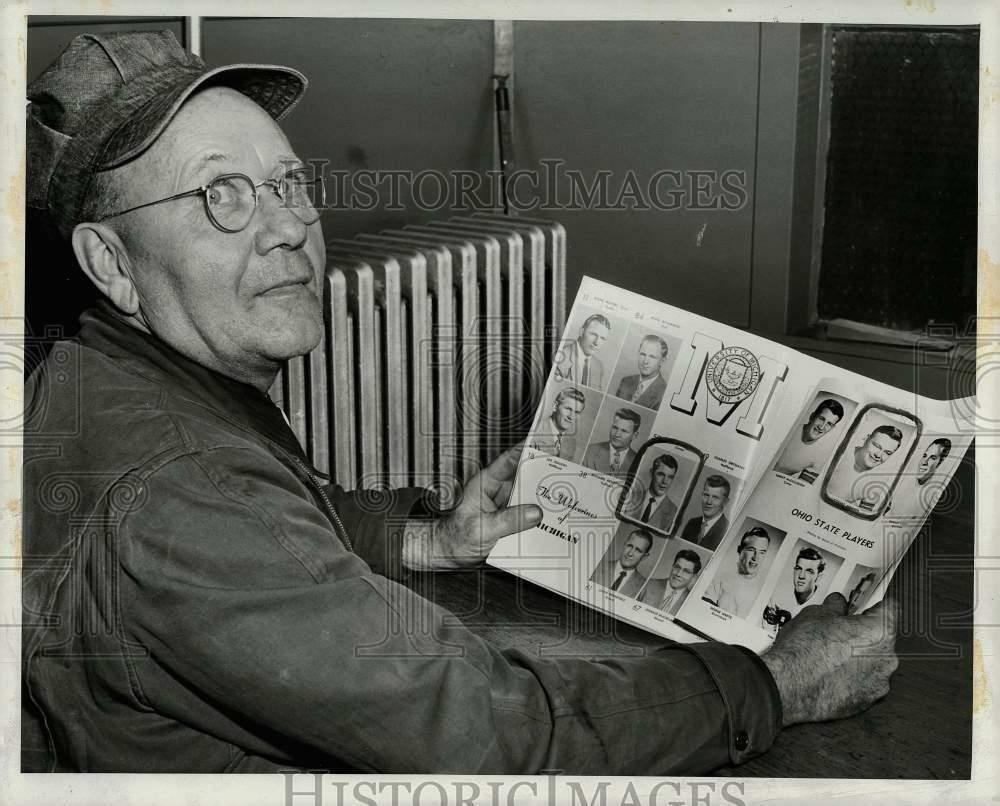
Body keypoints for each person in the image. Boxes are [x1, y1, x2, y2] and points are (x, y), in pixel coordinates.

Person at [22, 30, 900, 775]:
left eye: (289, 182)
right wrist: (777, 683)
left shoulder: (109, 378)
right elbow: (492, 733)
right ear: (110, 264)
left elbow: (264, 531)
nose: (289, 225)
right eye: (222, 195)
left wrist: (423, 538)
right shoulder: (183, 493)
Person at [825, 424, 903, 510]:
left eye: (887, 453)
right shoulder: (840, 452)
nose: (878, 455)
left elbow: (859, 517)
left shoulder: (877, 484)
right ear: (866, 438)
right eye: (877, 446)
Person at [702, 527, 772, 618]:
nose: (756, 558)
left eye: (762, 552)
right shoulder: (719, 579)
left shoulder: (766, 591)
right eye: (751, 550)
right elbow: (704, 614)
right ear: (740, 550)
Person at [773, 398, 845, 481]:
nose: (821, 427)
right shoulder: (789, 428)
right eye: (821, 419)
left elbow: (803, 485)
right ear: (812, 416)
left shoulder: (821, 457)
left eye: (829, 424)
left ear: (832, 428)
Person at [762, 547, 826, 632]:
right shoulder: (776, 598)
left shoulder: (822, 608)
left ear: (818, 577)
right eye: (798, 568)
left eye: (809, 571)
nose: (801, 576)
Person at [589, 529, 654, 597]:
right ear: (624, 545)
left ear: (644, 557)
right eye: (629, 546)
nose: (630, 553)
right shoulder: (597, 566)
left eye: (638, 550)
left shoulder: (643, 586)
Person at [554, 313, 610, 389]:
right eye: (593, 334)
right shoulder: (560, 356)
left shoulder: (598, 366)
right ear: (581, 332)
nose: (596, 343)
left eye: (602, 338)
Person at [626, 454, 680, 533]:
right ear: (651, 473)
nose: (665, 482)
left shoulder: (674, 513)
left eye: (670, 477)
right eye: (661, 474)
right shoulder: (630, 496)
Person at [528, 386, 586, 460]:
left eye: (577, 412)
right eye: (568, 409)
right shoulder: (534, 431)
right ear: (555, 406)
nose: (571, 417)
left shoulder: (571, 443)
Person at [639, 549, 702, 615]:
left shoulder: (691, 602)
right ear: (672, 566)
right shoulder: (648, 584)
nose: (678, 574)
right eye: (677, 567)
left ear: (694, 577)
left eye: (686, 571)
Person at [614, 335, 669, 409]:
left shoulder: (664, 393)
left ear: (662, 361)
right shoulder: (626, 381)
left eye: (652, 357)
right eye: (643, 354)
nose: (645, 361)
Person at [581, 408, 641, 477]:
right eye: (615, 428)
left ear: (634, 435)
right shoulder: (589, 451)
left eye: (624, 431)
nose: (617, 434)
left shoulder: (639, 462)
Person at [680, 475, 731, 550]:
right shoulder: (691, 523)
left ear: (725, 502)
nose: (709, 501)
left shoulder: (727, 531)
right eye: (706, 495)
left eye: (715, 497)